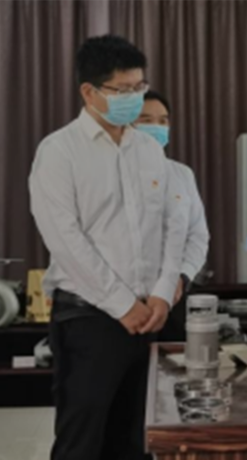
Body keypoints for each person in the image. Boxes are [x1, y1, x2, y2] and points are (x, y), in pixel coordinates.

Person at [29, 35, 187, 460]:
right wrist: (122, 304)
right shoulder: (59, 152)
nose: (134, 98)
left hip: (150, 315)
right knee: (82, 442)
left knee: (137, 441)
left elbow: (173, 224)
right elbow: (66, 241)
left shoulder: (148, 150)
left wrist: (162, 291)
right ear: (89, 92)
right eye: (123, 90)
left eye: (139, 86)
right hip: (89, 319)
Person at [133, 90, 210, 340]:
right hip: (124, 303)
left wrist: (181, 276)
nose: (156, 127)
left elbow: (198, 236)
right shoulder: (109, 173)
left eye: (163, 121)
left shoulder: (182, 174)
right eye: (146, 120)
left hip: (173, 300)